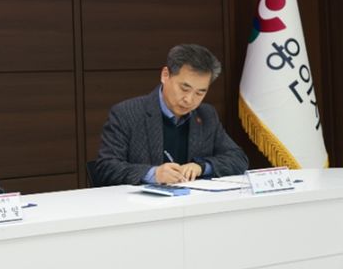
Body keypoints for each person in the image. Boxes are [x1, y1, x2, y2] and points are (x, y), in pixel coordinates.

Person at [96, 44, 248, 186]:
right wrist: (154, 174)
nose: (189, 100)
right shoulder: (127, 113)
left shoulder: (206, 114)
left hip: (195, 201)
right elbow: (106, 167)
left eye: (200, 93)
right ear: (165, 75)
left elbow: (238, 159)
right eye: (184, 88)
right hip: (145, 203)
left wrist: (201, 167)